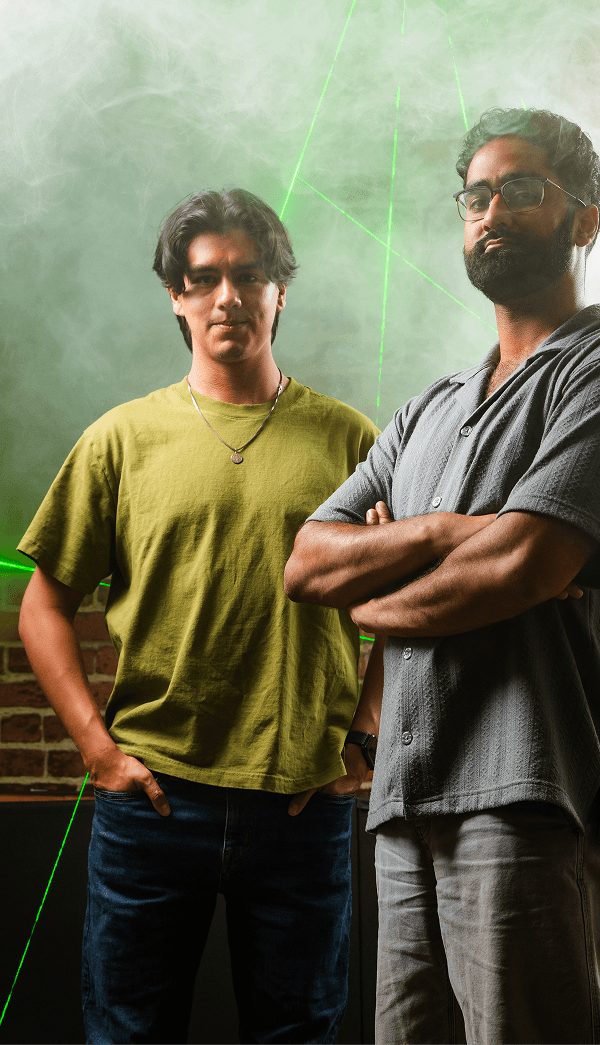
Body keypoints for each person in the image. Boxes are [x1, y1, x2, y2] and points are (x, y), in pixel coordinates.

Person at [284, 108, 600, 1045]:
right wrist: (452, 533)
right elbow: (307, 562)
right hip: (403, 803)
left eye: (521, 189)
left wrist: (385, 584)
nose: (491, 211)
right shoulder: (428, 409)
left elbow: (526, 562)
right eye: (476, 194)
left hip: (534, 799)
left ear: (584, 220)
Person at [17, 188, 382, 1045]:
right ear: (177, 296)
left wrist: (363, 736)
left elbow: (402, 610)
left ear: (279, 291)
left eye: (248, 275)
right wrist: (97, 750)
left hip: (301, 800)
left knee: (298, 1034)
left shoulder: (351, 442)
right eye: (205, 277)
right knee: (127, 1036)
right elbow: (45, 604)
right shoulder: (120, 439)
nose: (229, 296)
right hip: (153, 804)